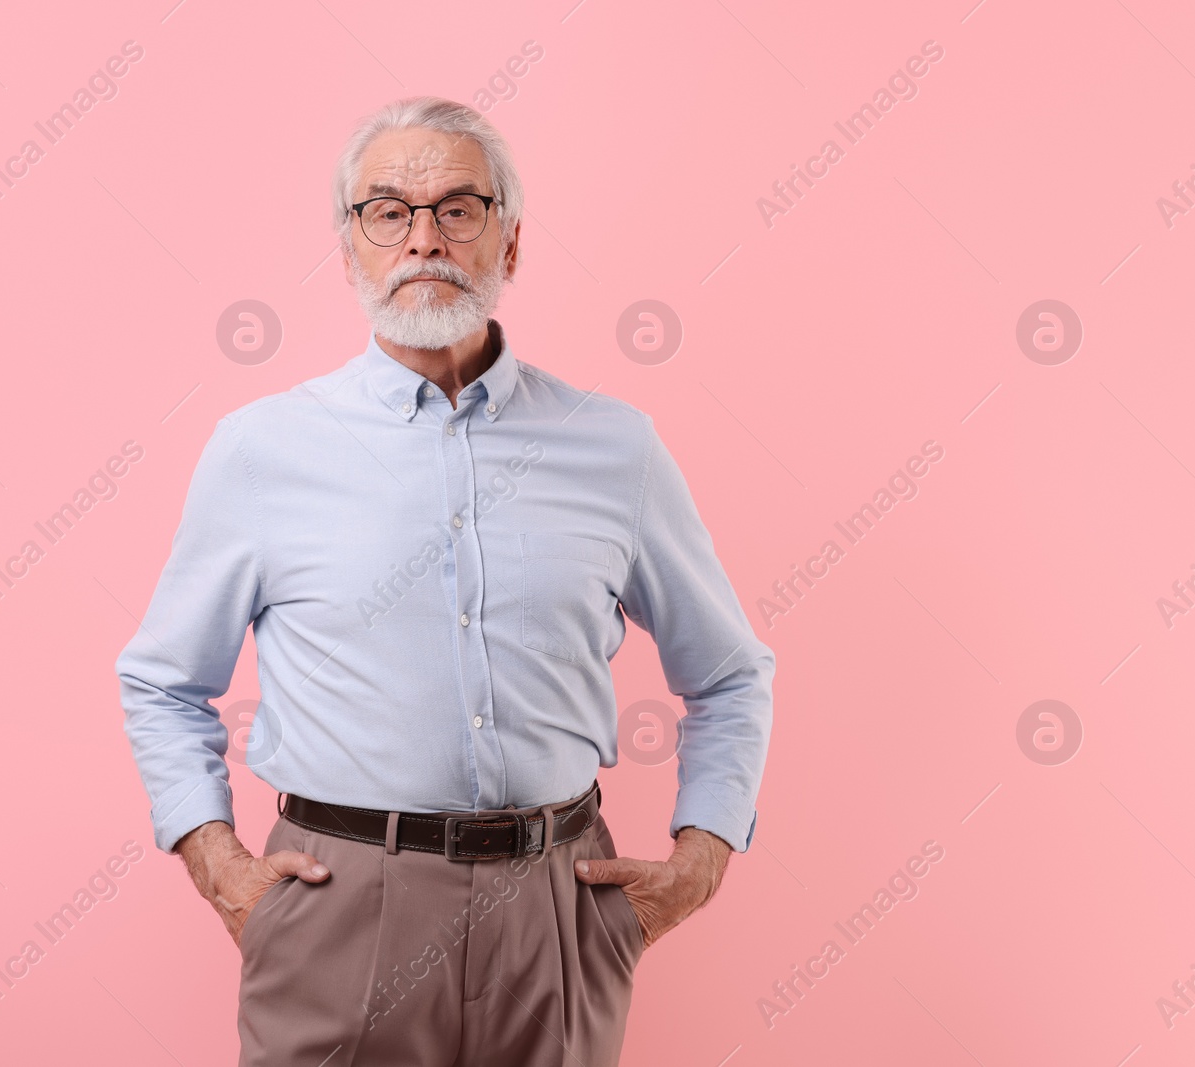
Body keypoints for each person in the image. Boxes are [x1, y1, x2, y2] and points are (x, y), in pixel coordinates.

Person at [115, 95, 775, 1067]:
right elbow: (163, 679)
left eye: (458, 208)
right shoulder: (261, 450)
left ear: (509, 243)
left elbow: (727, 673)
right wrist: (220, 866)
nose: (423, 238)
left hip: (558, 912)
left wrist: (702, 857)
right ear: (349, 248)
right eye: (387, 211)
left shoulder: (614, 446)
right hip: (337, 909)